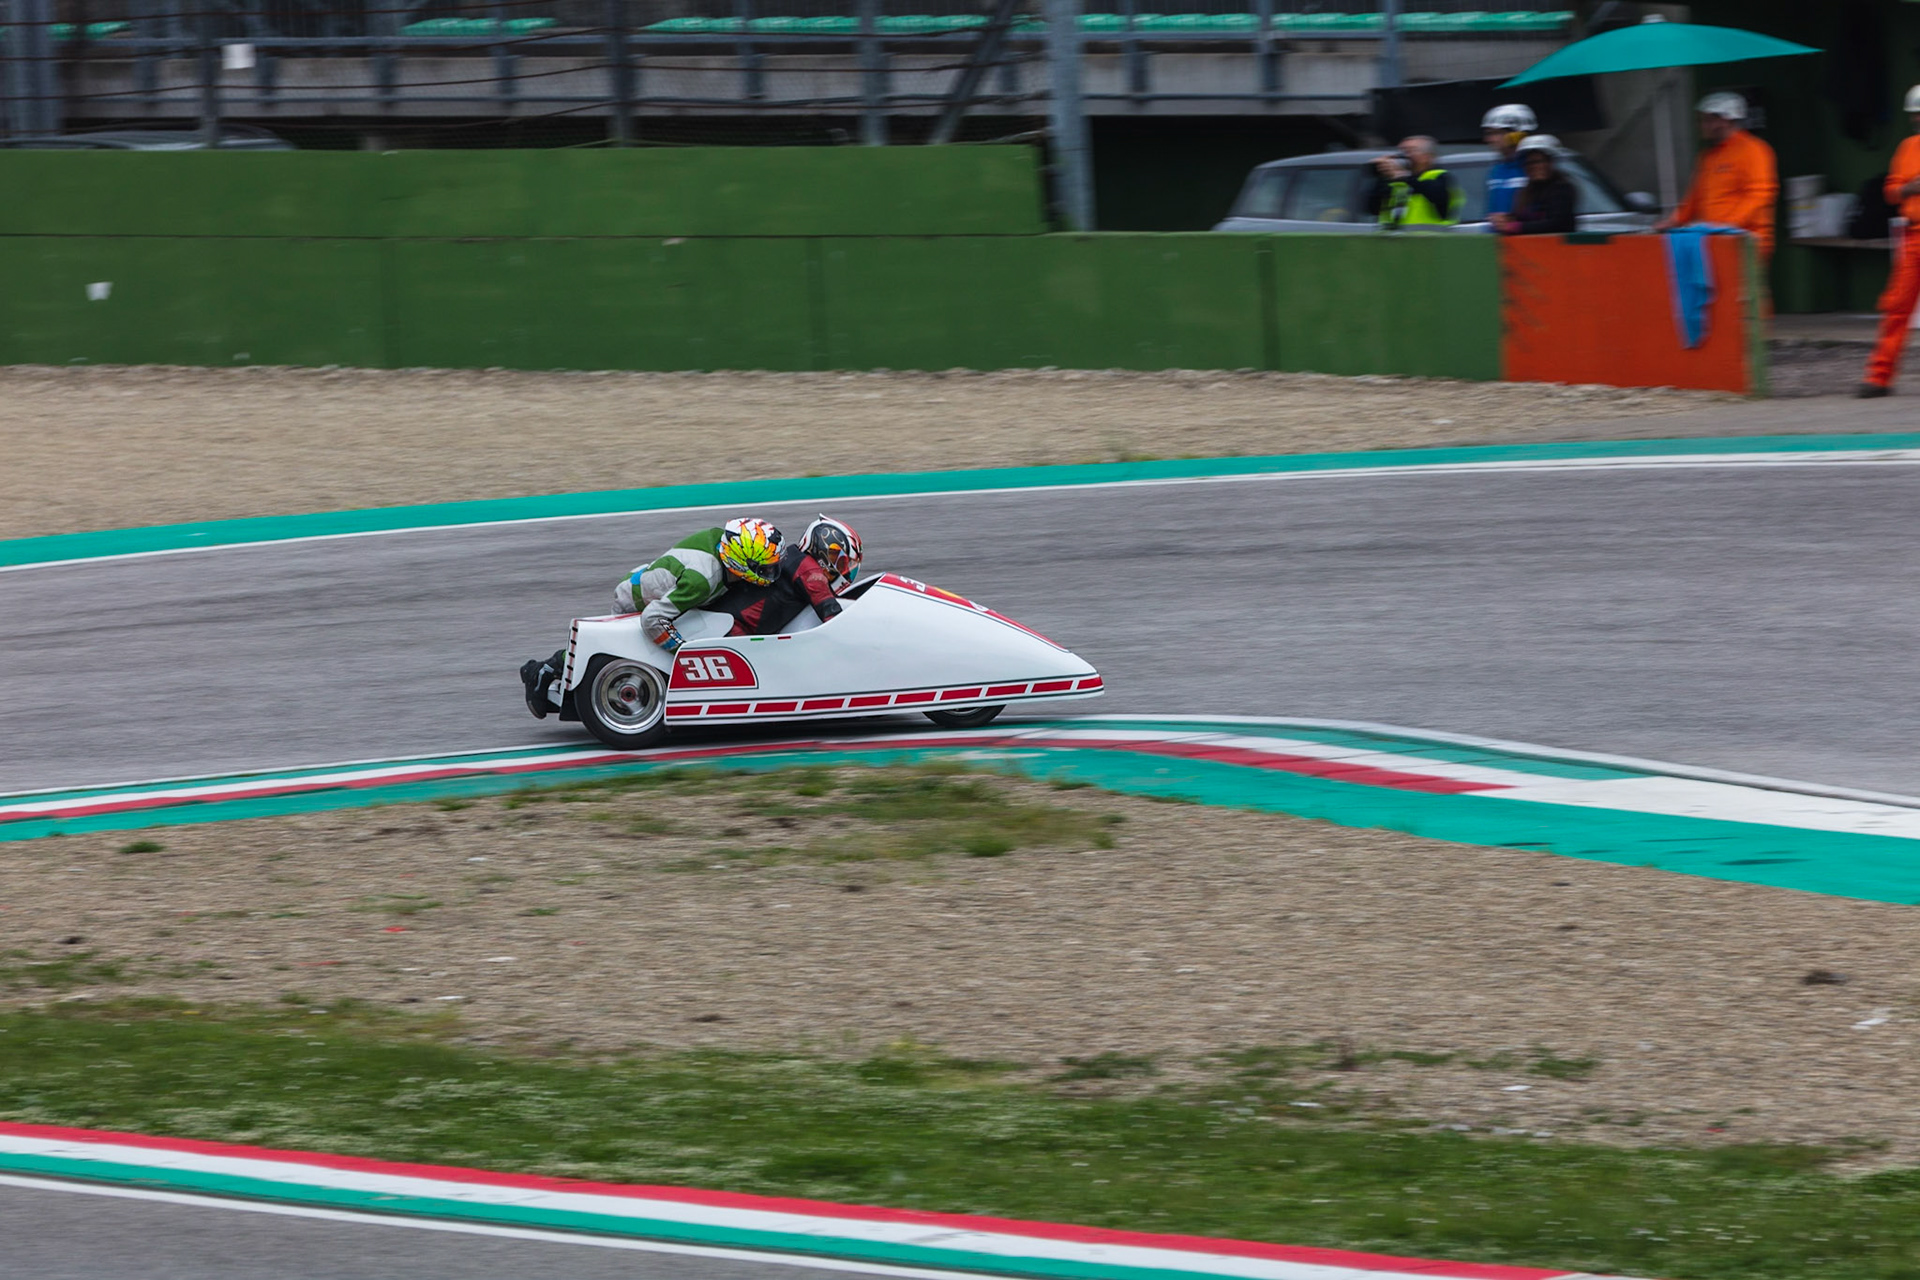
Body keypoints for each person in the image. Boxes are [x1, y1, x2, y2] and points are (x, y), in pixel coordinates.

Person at [517, 516, 785, 718]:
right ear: (738, 562)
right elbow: (652, 619)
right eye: (764, 568)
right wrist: (685, 654)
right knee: (653, 656)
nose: (771, 574)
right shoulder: (703, 581)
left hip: (656, 579)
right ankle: (545, 670)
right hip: (637, 603)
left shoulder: (723, 540)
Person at [1651, 92, 1779, 261]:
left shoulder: (1754, 150)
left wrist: (1727, 225)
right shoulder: (1708, 156)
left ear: (1725, 120)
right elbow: (1696, 196)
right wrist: (1674, 221)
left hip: (1745, 241)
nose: (1702, 125)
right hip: (1715, 240)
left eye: (1707, 120)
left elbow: (1759, 194)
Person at [1856, 85, 1920, 398]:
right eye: (1914, 115)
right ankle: (1879, 377)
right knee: (1896, 307)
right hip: (1912, 236)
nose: (1916, 120)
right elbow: (1890, 192)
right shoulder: (1907, 148)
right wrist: (1909, 189)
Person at [713, 515, 864, 636]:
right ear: (824, 551)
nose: (846, 572)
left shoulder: (794, 559)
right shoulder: (809, 572)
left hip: (735, 625)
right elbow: (832, 614)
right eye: (842, 564)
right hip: (734, 628)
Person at [1363, 135, 1462, 230]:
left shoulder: (1439, 177)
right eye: (1402, 151)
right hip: (1393, 239)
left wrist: (1405, 177)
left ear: (1427, 157)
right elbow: (1372, 209)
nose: (1405, 155)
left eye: (1411, 151)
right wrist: (1383, 175)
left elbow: (1438, 197)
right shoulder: (1397, 181)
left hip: (1430, 238)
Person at [1488, 135, 1577, 236]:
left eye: (1539, 161)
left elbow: (1557, 224)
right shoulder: (1525, 193)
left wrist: (1516, 227)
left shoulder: (1562, 189)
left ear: (1550, 163)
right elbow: (1522, 218)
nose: (1535, 167)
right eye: (1529, 163)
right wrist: (1506, 220)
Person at [1481, 103, 1538, 222]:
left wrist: (1512, 223)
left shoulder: (1535, 167)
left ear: (1516, 135)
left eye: (1494, 133)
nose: (1488, 139)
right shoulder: (1497, 170)